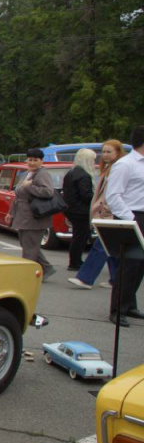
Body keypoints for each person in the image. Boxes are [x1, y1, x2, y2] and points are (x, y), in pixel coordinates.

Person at [69, 140, 124, 290]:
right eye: (103, 152)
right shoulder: (108, 169)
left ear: (118, 153)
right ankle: (116, 279)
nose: (105, 155)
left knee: (101, 246)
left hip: (111, 213)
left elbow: (115, 194)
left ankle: (85, 278)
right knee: (109, 248)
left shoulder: (118, 169)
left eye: (109, 152)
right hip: (106, 213)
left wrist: (106, 208)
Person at [106, 125, 144, 327]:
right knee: (128, 265)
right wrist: (131, 219)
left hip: (141, 215)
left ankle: (129, 304)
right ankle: (117, 309)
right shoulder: (126, 164)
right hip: (131, 216)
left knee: (140, 265)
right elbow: (113, 195)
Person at [5, 147, 56, 281]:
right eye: (30, 159)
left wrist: (29, 187)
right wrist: (11, 213)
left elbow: (48, 192)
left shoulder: (42, 174)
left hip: (34, 217)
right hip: (23, 216)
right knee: (28, 245)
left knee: (30, 247)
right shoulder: (26, 174)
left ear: (41, 161)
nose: (32, 162)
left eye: (36, 160)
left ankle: (27, 275)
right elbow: (17, 196)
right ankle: (46, 268)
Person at [62, 149, 95, 271]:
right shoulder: (84, 175)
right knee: (80, 237)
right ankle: (75, 262)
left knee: (77, 236)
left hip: (71, 209)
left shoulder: (71, 173)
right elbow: (86, 195)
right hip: (81, 211)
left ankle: (75, 260)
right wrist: (96, 198)